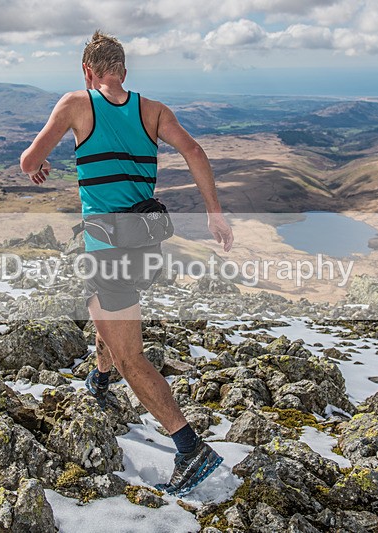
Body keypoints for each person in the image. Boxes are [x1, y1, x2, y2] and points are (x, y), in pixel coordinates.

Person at [19, 31, 234, 497]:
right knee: (104, 309)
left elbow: (29, 159)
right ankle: (98, 381)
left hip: (108, 248)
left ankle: (188, 446)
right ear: (125, 71)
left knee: (130, 355)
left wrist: (38, 167)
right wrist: (215, 213)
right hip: (146, 245)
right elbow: (194, 152)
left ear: (88, 71)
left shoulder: (78, 103)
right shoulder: (153, 110)